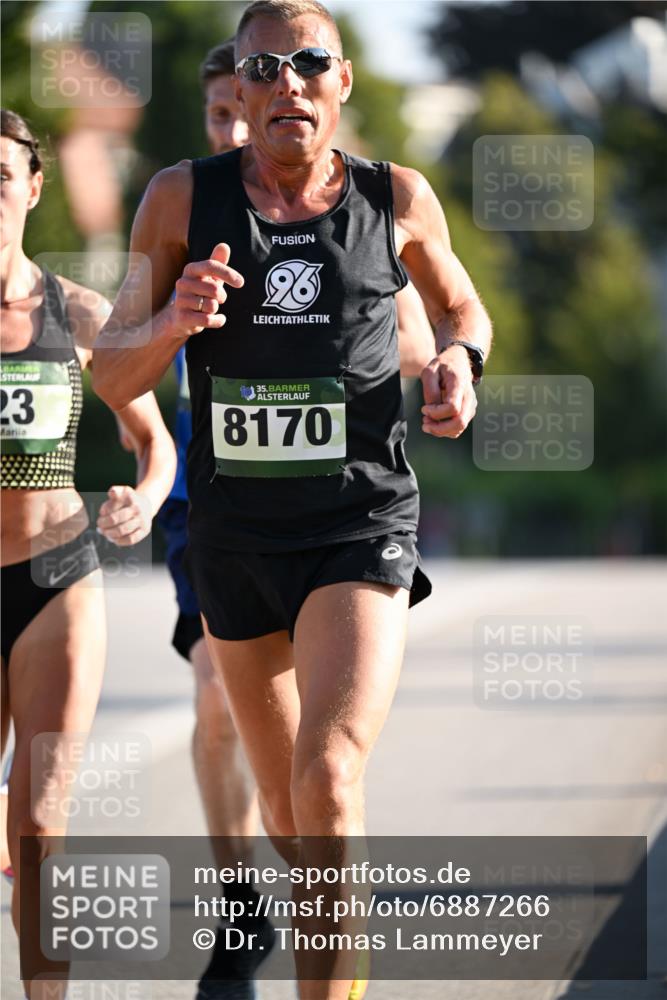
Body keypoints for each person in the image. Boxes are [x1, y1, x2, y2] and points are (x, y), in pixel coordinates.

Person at [92, 2, 492, 997]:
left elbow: (460, 306)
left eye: (309, 63)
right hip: (233, 540)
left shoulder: (395, 195)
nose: (287, 84)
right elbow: (111, 372)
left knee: (326, 776)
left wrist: (458, 364)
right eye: (263, 68)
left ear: (341, 83)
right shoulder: (179, 200)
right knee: (283, 805)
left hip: (358, 525)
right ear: (245, 88)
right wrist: (175, 325)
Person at [0, 108, 176, 1000]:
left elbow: (155, 444)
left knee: (38, 820)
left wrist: (141, 502)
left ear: (32, 189)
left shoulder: (81, 312)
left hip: (54, 575)